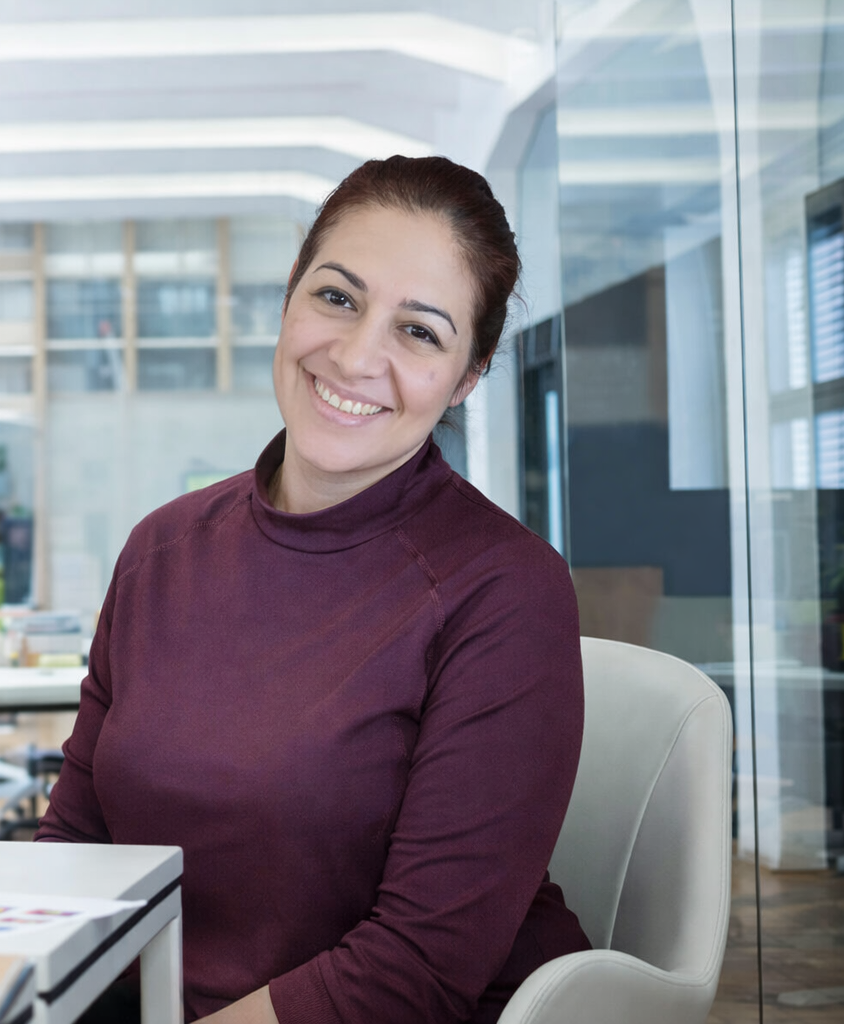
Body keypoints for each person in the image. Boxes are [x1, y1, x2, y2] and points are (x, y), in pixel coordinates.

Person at [36, 155, 590, 1024]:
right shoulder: (161, 550)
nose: (358, 355)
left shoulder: (506, 590)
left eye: (420, 332)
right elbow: (74, 844)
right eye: (337, 297)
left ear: (468, 375)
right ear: (290, 296)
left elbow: (416, 968)